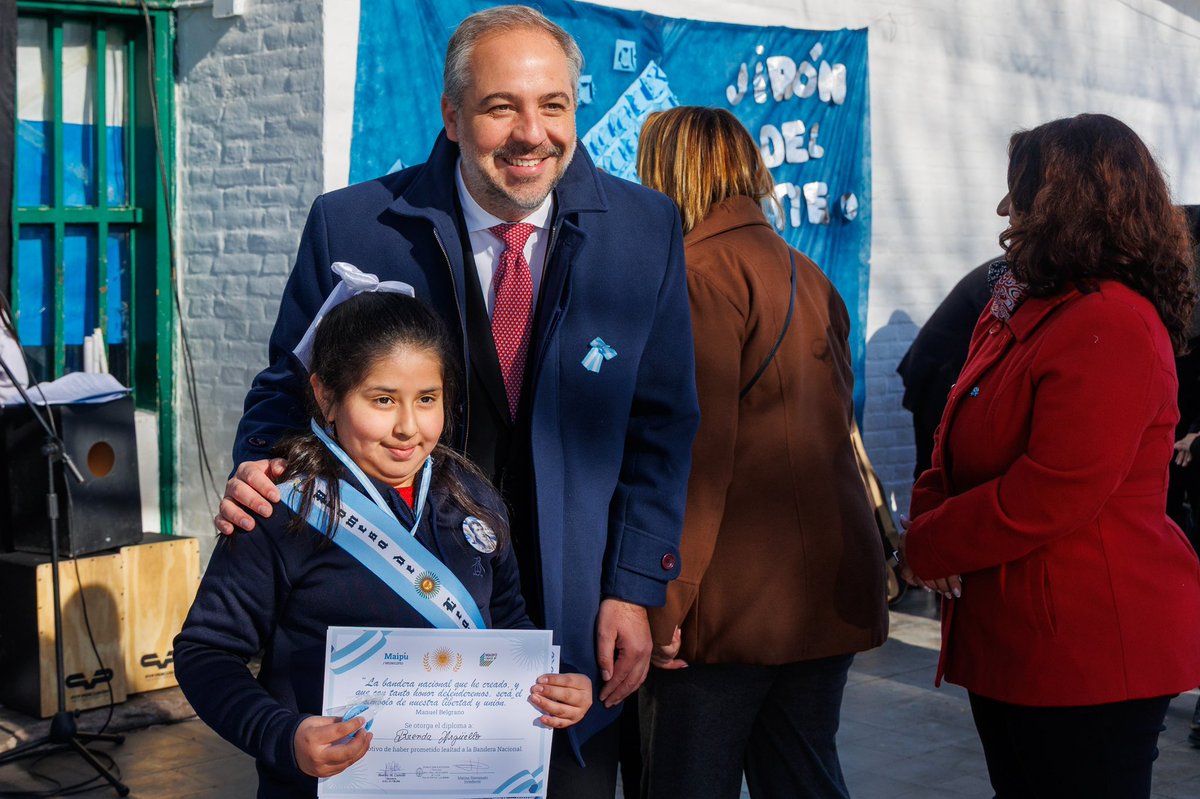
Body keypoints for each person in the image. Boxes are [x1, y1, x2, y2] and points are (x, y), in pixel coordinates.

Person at [212, 6, 698, 795]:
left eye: (553, 106)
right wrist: (261, 470)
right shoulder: (354, 228)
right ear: (451, 115)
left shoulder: (646, 231)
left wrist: (635, 588)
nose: (530, 133)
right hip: (393, 635)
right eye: (500, 106)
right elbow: (287, 389)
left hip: (569, 632)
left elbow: (663, 427)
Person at [174, 291, 593, 798]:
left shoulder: (474, 501)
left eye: (427, 399)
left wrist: (559, 681)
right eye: (382, 399)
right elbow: (206, 651)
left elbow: (508, 627)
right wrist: (281, 734)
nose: (407, 427)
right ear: (325, 395)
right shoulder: (280, 511)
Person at [900, 113, 1200, 798]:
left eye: (1022, 190)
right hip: (1018, 642)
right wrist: (930, 510)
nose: (1006, 210)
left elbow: (1056, 487)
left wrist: (932, 541)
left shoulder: (1112, 321)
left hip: (1085, 653)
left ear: (1068, 202)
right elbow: (953, 427)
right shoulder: (1022, 305)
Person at [634, 106, 888, 799]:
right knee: (803, 779)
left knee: (688, 784)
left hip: (727, 609)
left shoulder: (696, 274)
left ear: (670, 172)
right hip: (821, 593)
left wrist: (662, 605)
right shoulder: (806, 270)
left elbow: (696, 462)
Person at [896, 260, 993, 478]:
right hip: (938, 377)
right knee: (935, 470)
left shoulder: (1009, 270)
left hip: (940, 372)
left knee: (934, 468)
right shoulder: (1005, 277)